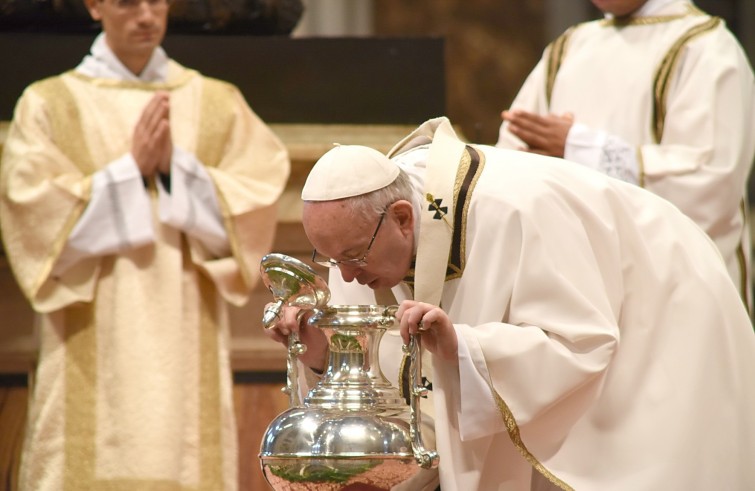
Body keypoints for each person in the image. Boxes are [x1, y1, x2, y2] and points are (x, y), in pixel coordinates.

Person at [265, 116, 755, 490]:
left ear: (403, 219)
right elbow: (392, 379)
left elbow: (580, 344)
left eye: (351, 258)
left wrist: (461, 345)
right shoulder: (361, 235)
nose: (346, 275)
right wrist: (324, 354)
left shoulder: (519, 210)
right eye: (329, 259)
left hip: (663, 315)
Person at [0, 0, 290, 489]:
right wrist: (128, 171)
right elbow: (33, 218)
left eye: (156, 1)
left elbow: (255, 203)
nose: (146, 15)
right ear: (94, 6)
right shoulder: (48, 103)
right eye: (126, 2)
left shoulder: (216, 102)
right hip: (87, 335)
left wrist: (175, 169)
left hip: (185, 326)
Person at [496, 0, 755, 310]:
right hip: (580, 293)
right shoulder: (569, 47)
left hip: (678, 297)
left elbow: (710, 183)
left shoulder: (707, 48)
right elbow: (510, 164)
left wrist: (582, 150)